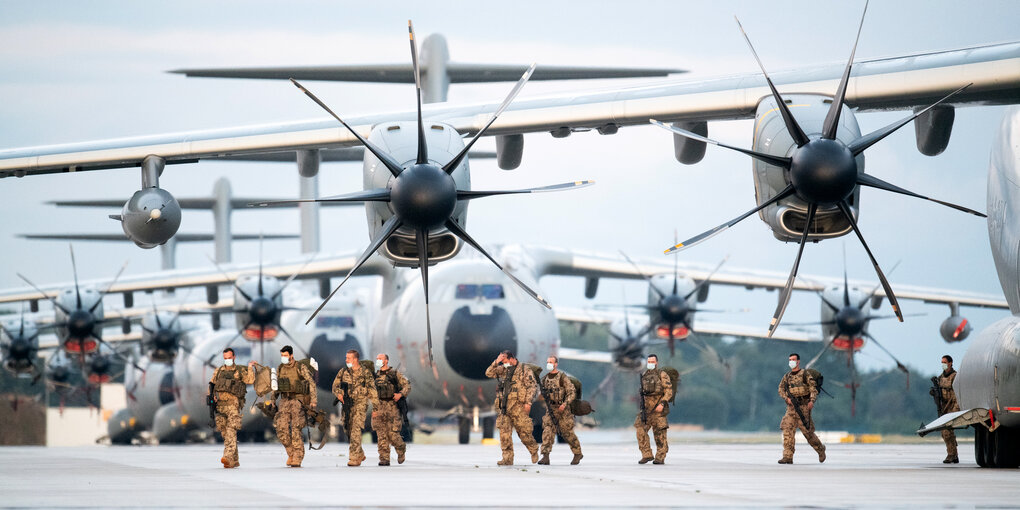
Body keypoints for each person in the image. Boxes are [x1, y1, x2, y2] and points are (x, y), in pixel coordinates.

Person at [485, 350, 539, 465]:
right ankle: (507, 458)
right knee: (504, 435)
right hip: (504, 407)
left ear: (511, 359)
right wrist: (496, 362)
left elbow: (532, 387)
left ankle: (534, 450)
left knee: (524, 434)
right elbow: (488, 373)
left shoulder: (524, 369)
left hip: (518, 407)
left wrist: (528, 403)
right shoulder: (503, 369)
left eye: (504, 361)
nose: (503, 363)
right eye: (502, 361)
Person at [208, 347, 255, 468]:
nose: (227, 360)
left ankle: (227, 457)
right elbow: (212, 385)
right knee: (225, 433)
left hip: (233, 406)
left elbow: (250, 380)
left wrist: (250, 367)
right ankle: (234, 460)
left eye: (229, 358)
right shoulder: (219, 371)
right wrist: (212, 398)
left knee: (231, 432)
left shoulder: (239, 370)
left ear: (234, 357)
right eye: (225, 358)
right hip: (221, 406)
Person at [332, 349, 379, 467]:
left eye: (348, 358)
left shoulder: (365, 372)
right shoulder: (343, 372)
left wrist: (376, 408)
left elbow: (372, 390)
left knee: (356, 429)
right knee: (348, 429)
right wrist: (338, 394)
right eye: (346, 358)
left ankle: (353, 458)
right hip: (347, 404)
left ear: (355, 359)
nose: (346, 360)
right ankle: (360, 453)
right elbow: (335, 385)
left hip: (361, 403)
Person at [778, 353, 826, 464]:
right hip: (791, 408)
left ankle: (820, 449)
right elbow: (780, 389)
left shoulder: (805, 374)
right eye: (790, 360)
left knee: (808, 433)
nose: (791, 362)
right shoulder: (787, 376)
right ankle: (787, 456)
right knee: (787, 431)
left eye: (793, 360)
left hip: (804, 407)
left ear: (798, 361)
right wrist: (786, 398)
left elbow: (813, 389)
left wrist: (812, 401)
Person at [274, 345, 316, 467]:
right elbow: (276, 384)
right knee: (281, 429)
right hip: (284, 401)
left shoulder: (300, 367)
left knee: (296, 429)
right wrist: (273, 399)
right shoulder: (280, 368)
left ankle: (298, 457)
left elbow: (311, 383)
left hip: (298, 400)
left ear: (291, 355)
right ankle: (291, 453)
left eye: (285, 356)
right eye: (282, 356)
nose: (283, 358)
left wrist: (313, 400)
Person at [538, 355, 583, 465]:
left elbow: (571, 393)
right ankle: (545, 456)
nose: (549, 364)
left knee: (567, 433)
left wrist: (565, 404)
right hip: (551, 409)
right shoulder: (545, 379)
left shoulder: (563, 378)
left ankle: (577, 453)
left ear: (556, 364)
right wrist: (541, 397)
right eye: (548, 362)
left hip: (564, 410)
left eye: (551, 362)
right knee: (547, 431)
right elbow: (541, 394)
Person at [372, 353, 410, 466]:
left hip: (392, 406)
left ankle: (401, 449)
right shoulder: (375, 376)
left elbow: (407, 386)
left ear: (386, 361)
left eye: (380, 359)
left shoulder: (395, 374)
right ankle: (384, 459)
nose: (378, 360)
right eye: (377, 358)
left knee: (393, 434)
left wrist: (400, 394)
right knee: (381, 435)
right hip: (379, 406)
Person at [635, 354, 672, 465]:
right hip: (646, 410)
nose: (650, 363)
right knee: (640, 429)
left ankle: (660, 457)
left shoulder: (662, 374)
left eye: (652, 361)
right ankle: (646, 454)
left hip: (658, 409)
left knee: (659, 434)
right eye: (649, 361)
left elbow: (669, 391)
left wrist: (662, 403)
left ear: (656, 362)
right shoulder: (645, 375)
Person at [936, 355, 960, 463]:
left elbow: (957, 395)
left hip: (953, 407)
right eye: (942, 362)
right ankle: (954, 455)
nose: (943, 364)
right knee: (945, 432)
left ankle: (951, 455)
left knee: (947, 431)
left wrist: (955, 410)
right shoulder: (941, 377)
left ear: (950, 363)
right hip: (944, 408)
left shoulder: (955, 376)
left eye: (944, 362)